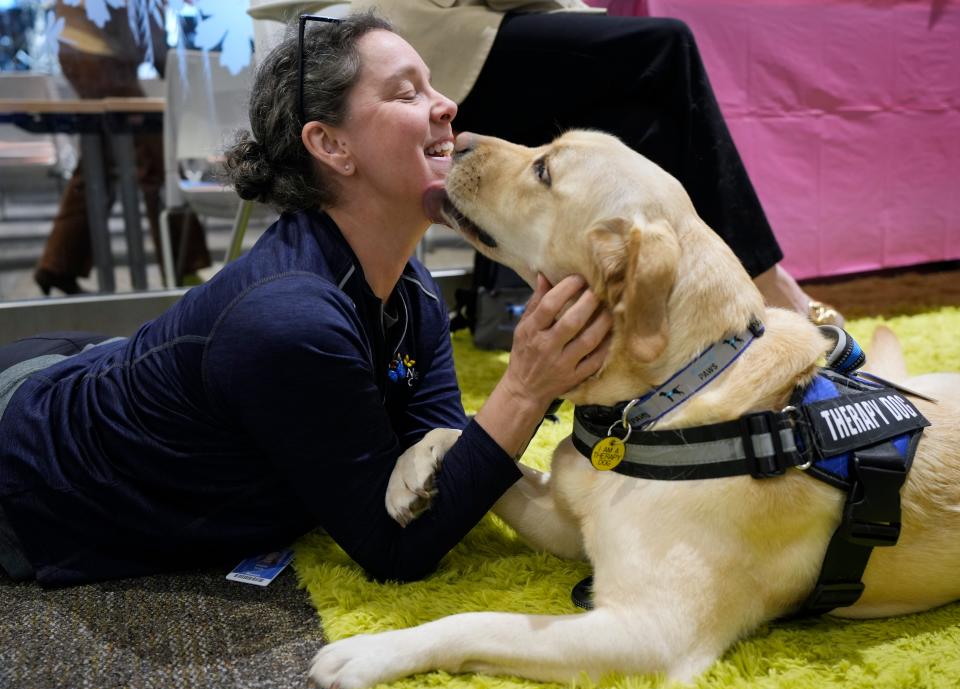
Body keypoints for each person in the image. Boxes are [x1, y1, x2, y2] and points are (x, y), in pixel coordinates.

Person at [0, 13, 611, 586]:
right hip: (26, 478)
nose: (446, 105)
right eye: (406, 93)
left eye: (432, 87)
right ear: (331, 145)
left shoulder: (412, 290)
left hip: (87, 365)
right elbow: (395, 550)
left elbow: (441, 465)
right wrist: (525, 387)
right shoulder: (290, 323)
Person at [352, 0, 842, 326]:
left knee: (643, 110)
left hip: (488, 21)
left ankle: (675, 314)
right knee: (664, 47)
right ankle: (765, 292)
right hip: (433, 26)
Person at [34, 0, 210, 295]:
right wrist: (182, 81)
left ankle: (58, 265)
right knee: (158, 161)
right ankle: (184, 267)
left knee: (98, 163)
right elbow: (152, 32)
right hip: (98, 56)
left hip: (83, 48)